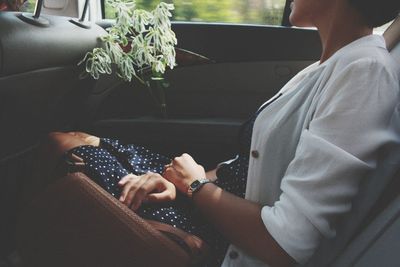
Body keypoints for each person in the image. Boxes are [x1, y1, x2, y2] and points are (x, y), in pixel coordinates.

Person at [43, 0, 400, 266]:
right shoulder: (329, 66)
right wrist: (179, 185)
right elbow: (251, 166)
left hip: (229, 237)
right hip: (215, 202)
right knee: (71, 139)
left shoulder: (364, 72)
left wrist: (197, 189)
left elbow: (286, 244)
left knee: (60, 146)